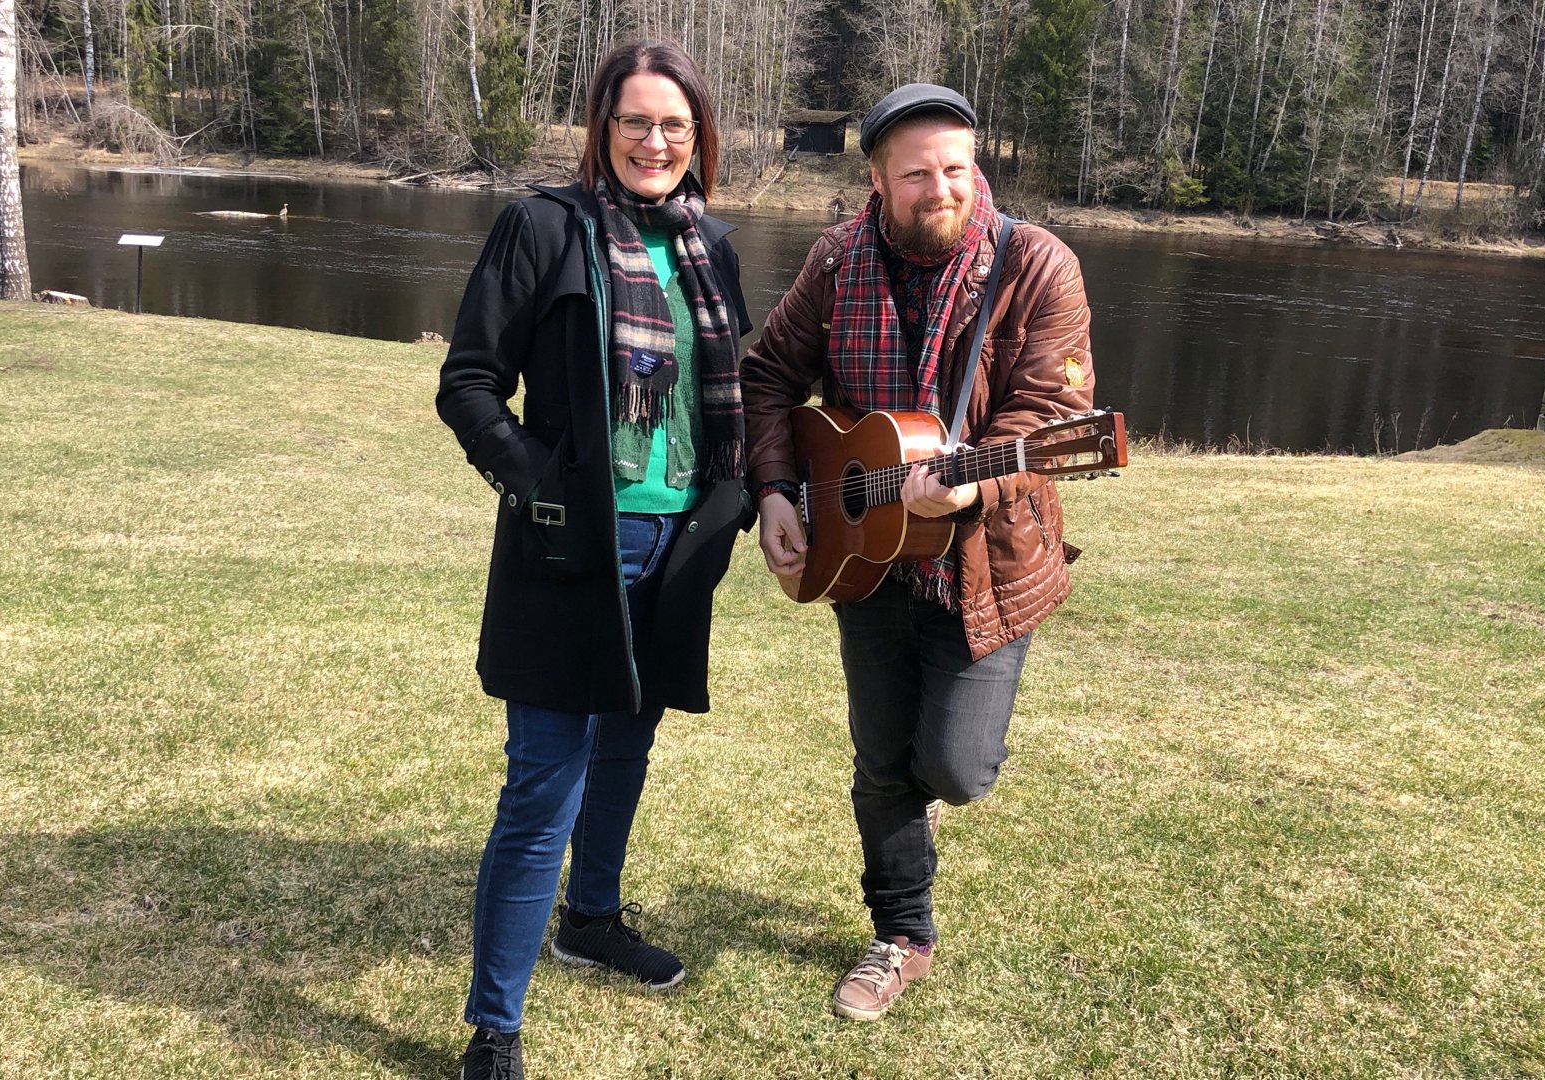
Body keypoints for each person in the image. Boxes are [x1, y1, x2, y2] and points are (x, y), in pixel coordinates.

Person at [739, 84, 1096, 1022]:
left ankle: (938, 788)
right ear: (876, 180)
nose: (942, 189)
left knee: (956, 770)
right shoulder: (836, 259)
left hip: (986, 560)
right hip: (863, 557)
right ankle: (901, 934)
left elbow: (1053, 415)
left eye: (957, 169)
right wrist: (778, 489)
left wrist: (975, 480)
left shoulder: (1039, 266)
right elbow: (769, 372)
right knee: (880, 763)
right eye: (918, 174)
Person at [435, 40, 751, 1080]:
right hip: (575, 547)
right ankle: (496, 1028)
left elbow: (734, 402)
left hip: (675, 547)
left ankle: (594, 918)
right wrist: (543, 491)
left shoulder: (712, 250)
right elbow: (470, 384)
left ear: (698, 137)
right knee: (543, 790)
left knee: (627, 748)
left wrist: (738, 498)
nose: (655, 141)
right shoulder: (543, 228)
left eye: (675, 125)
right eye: (635, 121)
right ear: (601, 129)